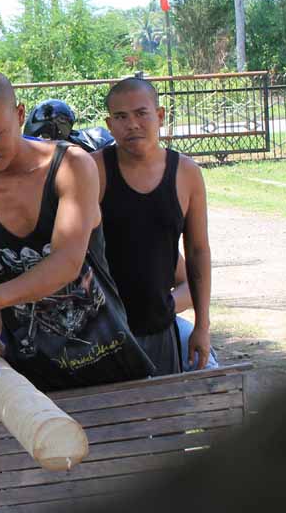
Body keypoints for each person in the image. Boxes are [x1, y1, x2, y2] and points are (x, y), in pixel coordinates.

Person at [0, 67, 154, 391]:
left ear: (19, 114)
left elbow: (66, 262)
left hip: (110, 366)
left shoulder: (72, 166)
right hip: (29, 379)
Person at [90, 77, 212, 374]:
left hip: (159, 329)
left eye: (141, 113)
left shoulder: (186, 173)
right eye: (120, 117)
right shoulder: (92, 170)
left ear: (159, 116)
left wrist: (202, 327)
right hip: (99, 332)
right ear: (109, 123)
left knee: (163, 417)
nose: (131, 124)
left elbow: (197, 252)